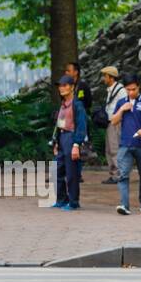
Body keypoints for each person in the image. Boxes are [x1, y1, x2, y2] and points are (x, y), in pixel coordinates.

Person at [111, 73, 141, 214]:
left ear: (139, 87)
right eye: (128, 90)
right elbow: (114, 121)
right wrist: (122, 109)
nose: (131, 92)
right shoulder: (121, 102)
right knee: (122, 175)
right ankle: (124, 205)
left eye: (133, 89)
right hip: (125, 144)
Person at [50, 74, 88, 211]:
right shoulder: (63, 104)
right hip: (61, 138)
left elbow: (82, 126)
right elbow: (59, 125)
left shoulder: (77, 104)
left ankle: (73, 202)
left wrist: (76, 145)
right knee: (56, 170)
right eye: (60, 85)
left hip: (72, 138)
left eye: (65, 85)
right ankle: (61, 199)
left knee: (72, 174)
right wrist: (56, 142)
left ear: (72, 87)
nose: (61, 88)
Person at [99, 66, 125, 184]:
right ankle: (114, 174)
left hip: (115, 123)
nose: (103, 78)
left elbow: (126, 107)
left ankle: (118, 175)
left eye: (105, 76)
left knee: (114, 149)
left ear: (110, 77)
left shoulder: (121, 90)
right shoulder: (111, 89)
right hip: (110, 124)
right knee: (109, 150)